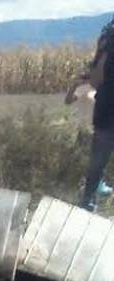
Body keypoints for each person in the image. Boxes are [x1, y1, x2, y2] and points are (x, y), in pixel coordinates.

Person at [80, 20, 114, 211]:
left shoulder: (107, 40)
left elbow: (96, 79)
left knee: (97, 162)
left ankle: (87, 202)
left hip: (106, 108)